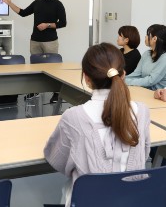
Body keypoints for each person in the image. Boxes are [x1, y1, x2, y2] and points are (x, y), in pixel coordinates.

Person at [44, 43, 150, 207]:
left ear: (86, 78)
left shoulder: (74, 117)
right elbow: (145, 152)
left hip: (89, 201)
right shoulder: (142, 112)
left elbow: (57, 160)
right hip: (134, 199)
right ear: (123, 75)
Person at [1, 0, 67, 103]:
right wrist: (9, 3)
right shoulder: (37, 3)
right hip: (35, 41)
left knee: (54, 68)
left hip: (50, 41)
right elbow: (23, 13)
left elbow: (63, 23)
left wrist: (47, 25)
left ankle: (56, 93)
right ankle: (35, 90)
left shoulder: (58, 4)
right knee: (35, 68)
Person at [125, 24, 166, 90]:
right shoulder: (146, 54)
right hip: (144, 90)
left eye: (147, 35)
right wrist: (122, 79)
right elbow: (136, 74)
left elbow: (150, 81)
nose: (145, 37)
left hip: (159, 96)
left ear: (154, 39)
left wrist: (126, 81)